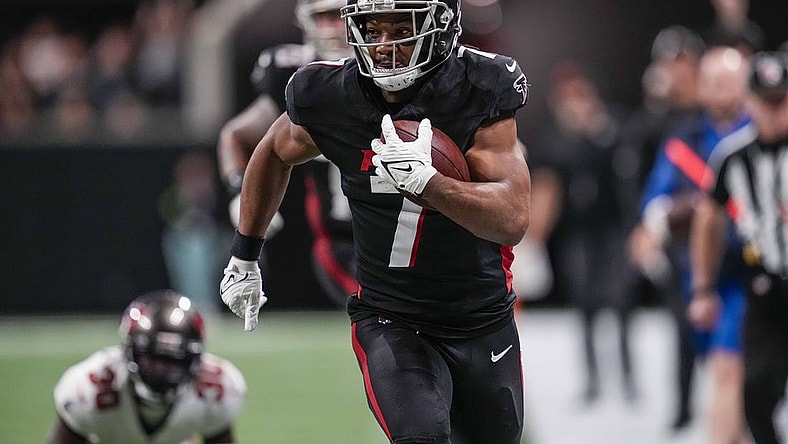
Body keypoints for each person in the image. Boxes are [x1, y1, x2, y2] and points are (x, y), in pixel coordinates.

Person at [219, 1, 531, 442]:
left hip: (481, 316)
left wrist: (430, 184)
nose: (384, 45)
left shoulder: (477, 87)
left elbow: (512, 217)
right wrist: (244, 255)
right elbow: (271, 150)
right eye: (372, 28)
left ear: (441, 25)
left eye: (400, 27)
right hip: (391, 316)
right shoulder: (329, 92)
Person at [634, 46, 752, 443]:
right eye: (713, 81)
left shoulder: (762, 132)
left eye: (729, 81)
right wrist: (670, 216)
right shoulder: (684, 139)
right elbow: (654, 202)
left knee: (728, 368)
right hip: (695, 272)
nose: (720, 90)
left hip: (749, 273)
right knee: (719, 372)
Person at [216, 0, 355, 307]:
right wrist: (240, 191)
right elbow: (235, 136)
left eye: (340, 14)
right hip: (344, 242)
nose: (333, 27)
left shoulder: (395, 73)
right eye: (324, 17)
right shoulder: (295, 75)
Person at [690, 51, 788, 444]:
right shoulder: (732, 155)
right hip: (764, 290)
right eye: (766, 102)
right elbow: (707, 220)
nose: (773, 112)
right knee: (756, 398)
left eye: (781, 101)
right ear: (750, 101)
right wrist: (703, 287)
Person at [527, 60, 636, 405]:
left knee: (620, 305)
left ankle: (628, 378)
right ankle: (593, 381)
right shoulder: (554, 139)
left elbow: (625, 167)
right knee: (585, 307)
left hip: (613, 230)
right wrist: (534, 235)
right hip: (577, 235)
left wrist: (591, 127)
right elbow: (545, 187)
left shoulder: (612, 125)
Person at [623, 24, 707, 431]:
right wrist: (644, 228)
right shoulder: (660, 121)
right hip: (676, 232)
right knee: (682, 320)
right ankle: (686, 404)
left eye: (684, 62)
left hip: (723, 225)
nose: (679, 72)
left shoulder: (717, 109)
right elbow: (644, 172)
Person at [47, 290, 246, 444]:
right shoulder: (90, 389)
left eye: (175, 361)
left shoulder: (217, 389)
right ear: (129, 351)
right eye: (153, 358)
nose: (162, 370)